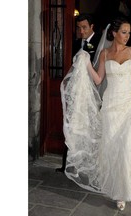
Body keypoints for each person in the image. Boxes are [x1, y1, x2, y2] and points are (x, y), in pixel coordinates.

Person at [60, 17, 131, 211]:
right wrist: (85, 63)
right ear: (114, 33)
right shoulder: (104, 53)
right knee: (111, 147)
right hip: (110, 106)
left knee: (126, 147)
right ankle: (114, 187)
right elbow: (99, 79)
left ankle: (123, 192)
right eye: (124, 32)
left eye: (129, 32)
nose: (127, 36)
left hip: (127, 104)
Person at [56, 13, 102, 173]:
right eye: (79, 28)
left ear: (92, 27)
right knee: (73, 124)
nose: (81, 31)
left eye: (84, 27)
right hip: (77, 92)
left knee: (90, 126)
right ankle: (69, 164)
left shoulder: (100, 42)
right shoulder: (77, 43)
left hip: (92, 91)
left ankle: (90, 164)